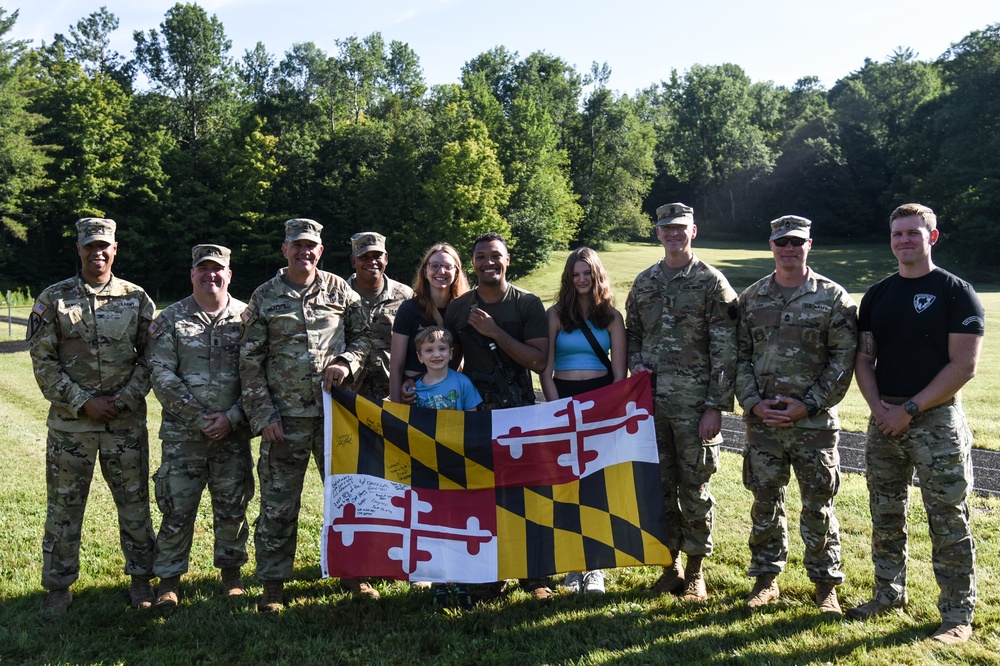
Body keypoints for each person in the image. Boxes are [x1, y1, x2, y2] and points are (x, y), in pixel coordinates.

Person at [847, 203, 984, 645]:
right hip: (884, 421)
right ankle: (887, 595)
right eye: (897, 234)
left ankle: (957, 615)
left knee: (947, 518)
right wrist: (880, 410)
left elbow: (964, 366)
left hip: (935, 421)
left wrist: (908, 410)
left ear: (932, 236)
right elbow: (863, 358)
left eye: (912, 232)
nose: (904, 240)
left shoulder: (956, 292)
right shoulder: (877, 296)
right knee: (885, 514)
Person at [240, 218, 372, 612]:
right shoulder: (264, 296)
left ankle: (355, 574)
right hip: (286, 420)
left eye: (311, 245)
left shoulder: (339, 289)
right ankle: (273, 584)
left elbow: (363, 337)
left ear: (320, 250)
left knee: (347, 500)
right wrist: (264, 416)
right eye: (297, 245)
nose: (304, 251)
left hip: (336, 418)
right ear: (285, 250)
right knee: (279, 506)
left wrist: (347, 361)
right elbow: (249, 360)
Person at [27, 217, 157, 613]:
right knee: (64, 507)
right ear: (79, 249)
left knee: (134, 504)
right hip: (71, 426)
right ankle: (59, 586)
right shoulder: (54, 298)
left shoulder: (137, 299)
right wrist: (83, 401)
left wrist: (122, 400)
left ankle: (141, 580)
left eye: (104, 245)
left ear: (115, 249)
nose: (97, 252)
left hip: (124, 424)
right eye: (90, 245)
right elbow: (43, 359)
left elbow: (152, 359)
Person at [736, 215, 857, 615]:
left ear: (809, 244)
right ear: (771, 245)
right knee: (765, 502)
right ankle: (765, 580)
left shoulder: (834, 298)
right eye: (781, 242)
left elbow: (843, 360)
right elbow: (737, 357)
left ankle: (825, 586)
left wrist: (810, 403)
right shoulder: (751, 298)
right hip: (763, 423)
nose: (789, 249)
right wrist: (753, 402)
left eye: (796, 242)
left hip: (813, 425)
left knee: (818, 505)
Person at [625, 203, 738, 603]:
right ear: (658, 233)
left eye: (681, 228)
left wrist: (715, 407)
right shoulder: (645, 283)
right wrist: (636, 365)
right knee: (659, 487)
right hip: (651, 406)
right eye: (666, 228)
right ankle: (669, 565)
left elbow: (726, 348)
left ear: (694, 231)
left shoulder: (711, 282)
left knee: (695, 489)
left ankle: (695, 572)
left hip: (694, 409)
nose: (673, 234)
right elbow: (633, 334)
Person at [443, 231, 550, 599]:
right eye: (481, 257)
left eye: (495, 256)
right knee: (481, 494)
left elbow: (537, 360)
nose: (488, 262)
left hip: (518, 410)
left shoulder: (527, 304)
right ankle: (487, 572)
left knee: (522, 494)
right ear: (472, 263)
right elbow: (450, 360)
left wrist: (493, 331)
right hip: (475, 412)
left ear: (508, 260)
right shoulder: (458, 307)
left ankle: (533, 576)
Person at [148, 244, 254, 609]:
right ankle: (169, 581)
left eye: (218, 269)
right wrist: (197, 417)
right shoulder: (171, 318)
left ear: (229, 274)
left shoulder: (247, 317)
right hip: (183, 437)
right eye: (203, 269)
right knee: (177, 509)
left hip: (233, 434)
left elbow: (258, 375)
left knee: (232, 507)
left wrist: (233, 417)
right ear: (192, 273)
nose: (211, 275)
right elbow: (161, 373)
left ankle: (232, 575)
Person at [541, 247, 627, 595]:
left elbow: (620, 376)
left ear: (597, 276)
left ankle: (596, 567)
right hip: (562, 401)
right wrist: (556, 410)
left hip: (600, 403)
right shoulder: (555, 315)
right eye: (575, 274)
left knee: (596, 485)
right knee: (565, 484)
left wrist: (608, 413)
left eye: (586, 274)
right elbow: (545, 371)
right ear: (568, 277)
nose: (580, 280)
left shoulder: (612, 318)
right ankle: (572, 564)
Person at [410, 326, 483, 609]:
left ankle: (463, 578)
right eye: (429, 350)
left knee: (461, 520)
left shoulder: (462, 384)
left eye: (442, 349)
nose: (436, 354)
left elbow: (474, 421)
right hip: (429, 465)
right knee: (435, 520)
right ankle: (439, 580)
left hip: (458, 464)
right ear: (419, 356)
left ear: (452, 353)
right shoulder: (414, 390)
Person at [389, 243, 469, 403]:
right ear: (425, 271)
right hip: (414, 395)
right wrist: (396, 410)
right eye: (435, 266)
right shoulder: (409, 309)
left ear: (456, 272)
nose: (441, 271)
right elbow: (396, 366)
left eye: (448, 266)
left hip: (450, 395)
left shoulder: (465, 309)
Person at [347, 232, 413, 399]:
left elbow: (417, 344)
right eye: (364, 257)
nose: (372, 261)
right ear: (353, 260)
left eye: (377, 256)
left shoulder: (405, 296)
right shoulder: (338, 296)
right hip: (350, 396)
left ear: (386, 258)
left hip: (393, 394)